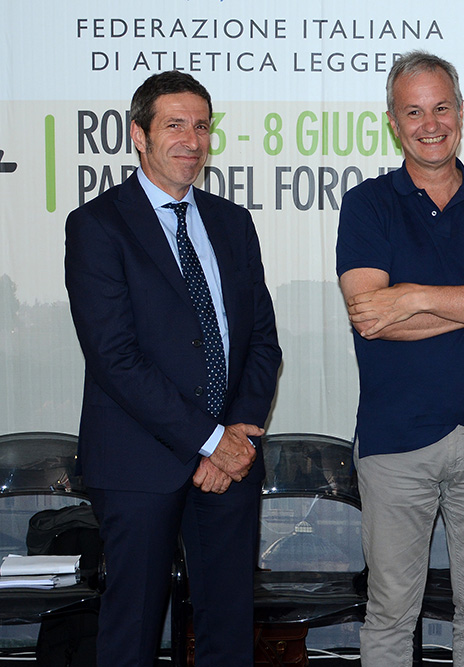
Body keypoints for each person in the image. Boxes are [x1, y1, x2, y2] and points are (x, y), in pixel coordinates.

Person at [65, 70, 281, 666]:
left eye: (202, 126)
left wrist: (236, 437)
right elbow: (115, 359)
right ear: (139, 135)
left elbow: (262, 342)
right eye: (175, 125)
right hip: (137, 463)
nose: (192, 140)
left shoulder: (233, 223)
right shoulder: (97, 225)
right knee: (132, 634)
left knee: (228, 632)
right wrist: (210, 440)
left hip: (230, 462)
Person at [336, 50, 464, 667]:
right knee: (391, 615)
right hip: (395, 442)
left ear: (461, 112)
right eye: (414, 111)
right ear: (393, 121)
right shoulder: (367, 204)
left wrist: (414, 296)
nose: (430, 124)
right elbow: (370, 317)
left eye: (441, 108)